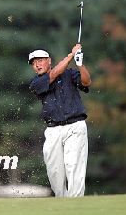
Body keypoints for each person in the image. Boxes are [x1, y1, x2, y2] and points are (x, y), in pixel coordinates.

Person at [28, 44, 91, 197]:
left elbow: (86, 82)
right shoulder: (36, 83)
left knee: (73, 166)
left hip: (75, 127)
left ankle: (75, 205)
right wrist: (71, 55)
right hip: (53, 130)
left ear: (49, 61)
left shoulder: (69, 74)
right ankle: (62, 204)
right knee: (54, 171)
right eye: (34, 62)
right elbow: (54, 74)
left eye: (40, 60)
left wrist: (80, 64)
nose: (37, 64)